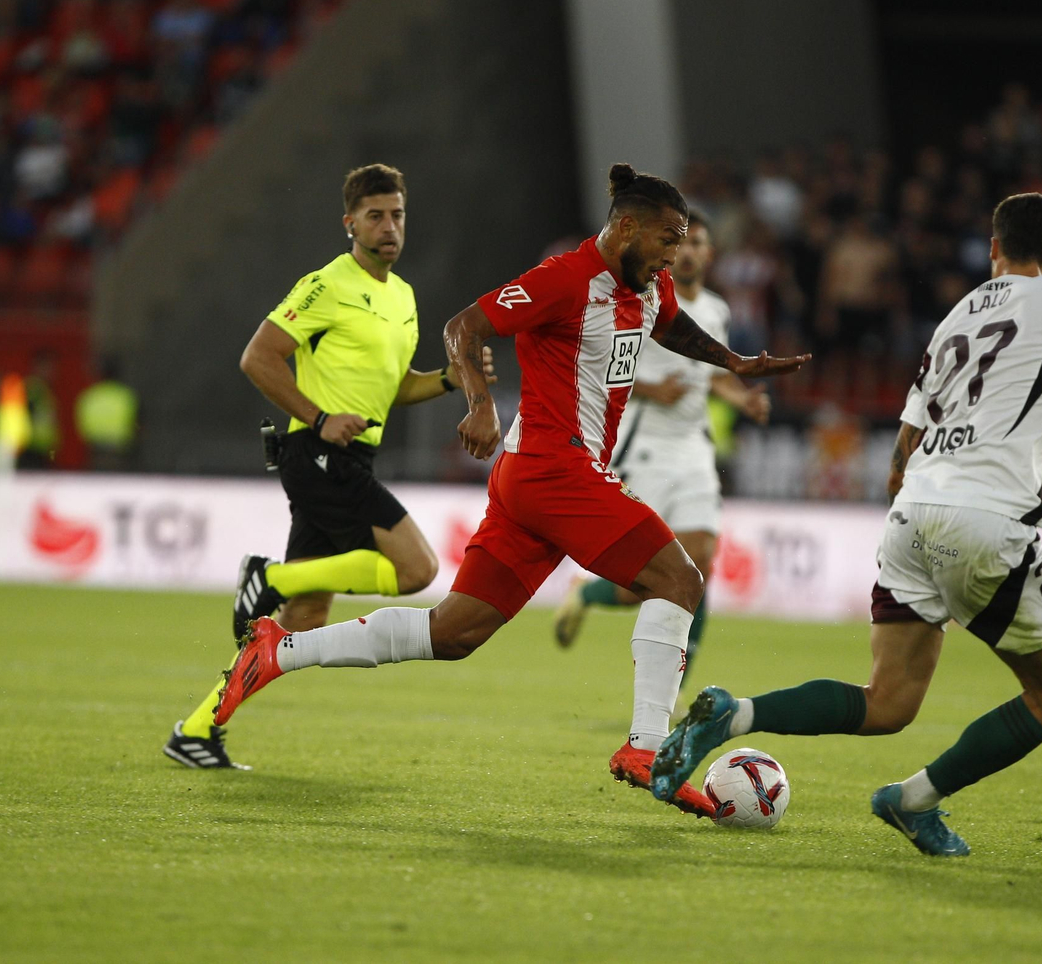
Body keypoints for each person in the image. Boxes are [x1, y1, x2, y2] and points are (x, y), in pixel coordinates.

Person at [650, 192, 1042, 853]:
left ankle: (735, 714)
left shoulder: (956, 317)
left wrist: (919, 519)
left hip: (911, 513)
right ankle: (913, 801)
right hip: (987, 518)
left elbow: (900, 452)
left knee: (888, 702)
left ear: (994, 249)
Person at [211, 164, 810, 817]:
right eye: (668, 240)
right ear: (628, 227)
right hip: (556, 467)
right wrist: (480, 404)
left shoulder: (650, 284)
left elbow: (672, 326)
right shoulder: (564, 279)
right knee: (681, 581)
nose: (675, 256)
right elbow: (463, 327)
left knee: (454, 632)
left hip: (537, 476)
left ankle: (280, 648)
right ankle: (645, 748)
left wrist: (733, 362)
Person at [163, 163, 493, 770]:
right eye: (375, 216)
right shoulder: (326, 284)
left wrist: (448, 380)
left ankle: (196, 728)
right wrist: (316, 419)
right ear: (350, 224)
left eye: (397, 215)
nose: (389, 226)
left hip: (347, 453)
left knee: (305, 620)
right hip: (316, 453)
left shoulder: (404, 297)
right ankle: (271, 577)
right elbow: (258, 357)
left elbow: (390, 388)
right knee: (417, 569)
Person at [552, 208, 771, 678]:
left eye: (698, 244)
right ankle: (587, 593)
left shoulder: (716, 309)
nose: (688, 252)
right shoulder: (644, 299)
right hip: (644, 444)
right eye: (682, 243)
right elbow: (601, 364)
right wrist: (652, 389)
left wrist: (742, 399)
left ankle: (676, 690)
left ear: (710, 253)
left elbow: (708, 377)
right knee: (644, 582)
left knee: (700, 565)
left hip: (693, 447)